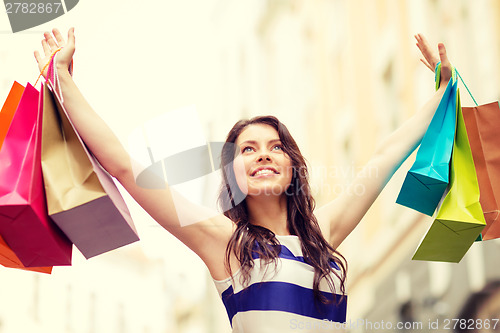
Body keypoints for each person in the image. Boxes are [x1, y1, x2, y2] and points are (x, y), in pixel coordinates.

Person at [34, 28, 452, 332]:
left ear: (293, 167)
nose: (264, 153)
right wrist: (63, 79)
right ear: (232, 175)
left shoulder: (323, 235)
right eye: (247, 149)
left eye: (275, 146)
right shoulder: (225, 243)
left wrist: (441, 93)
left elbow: (383, 158)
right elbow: (126, 167)